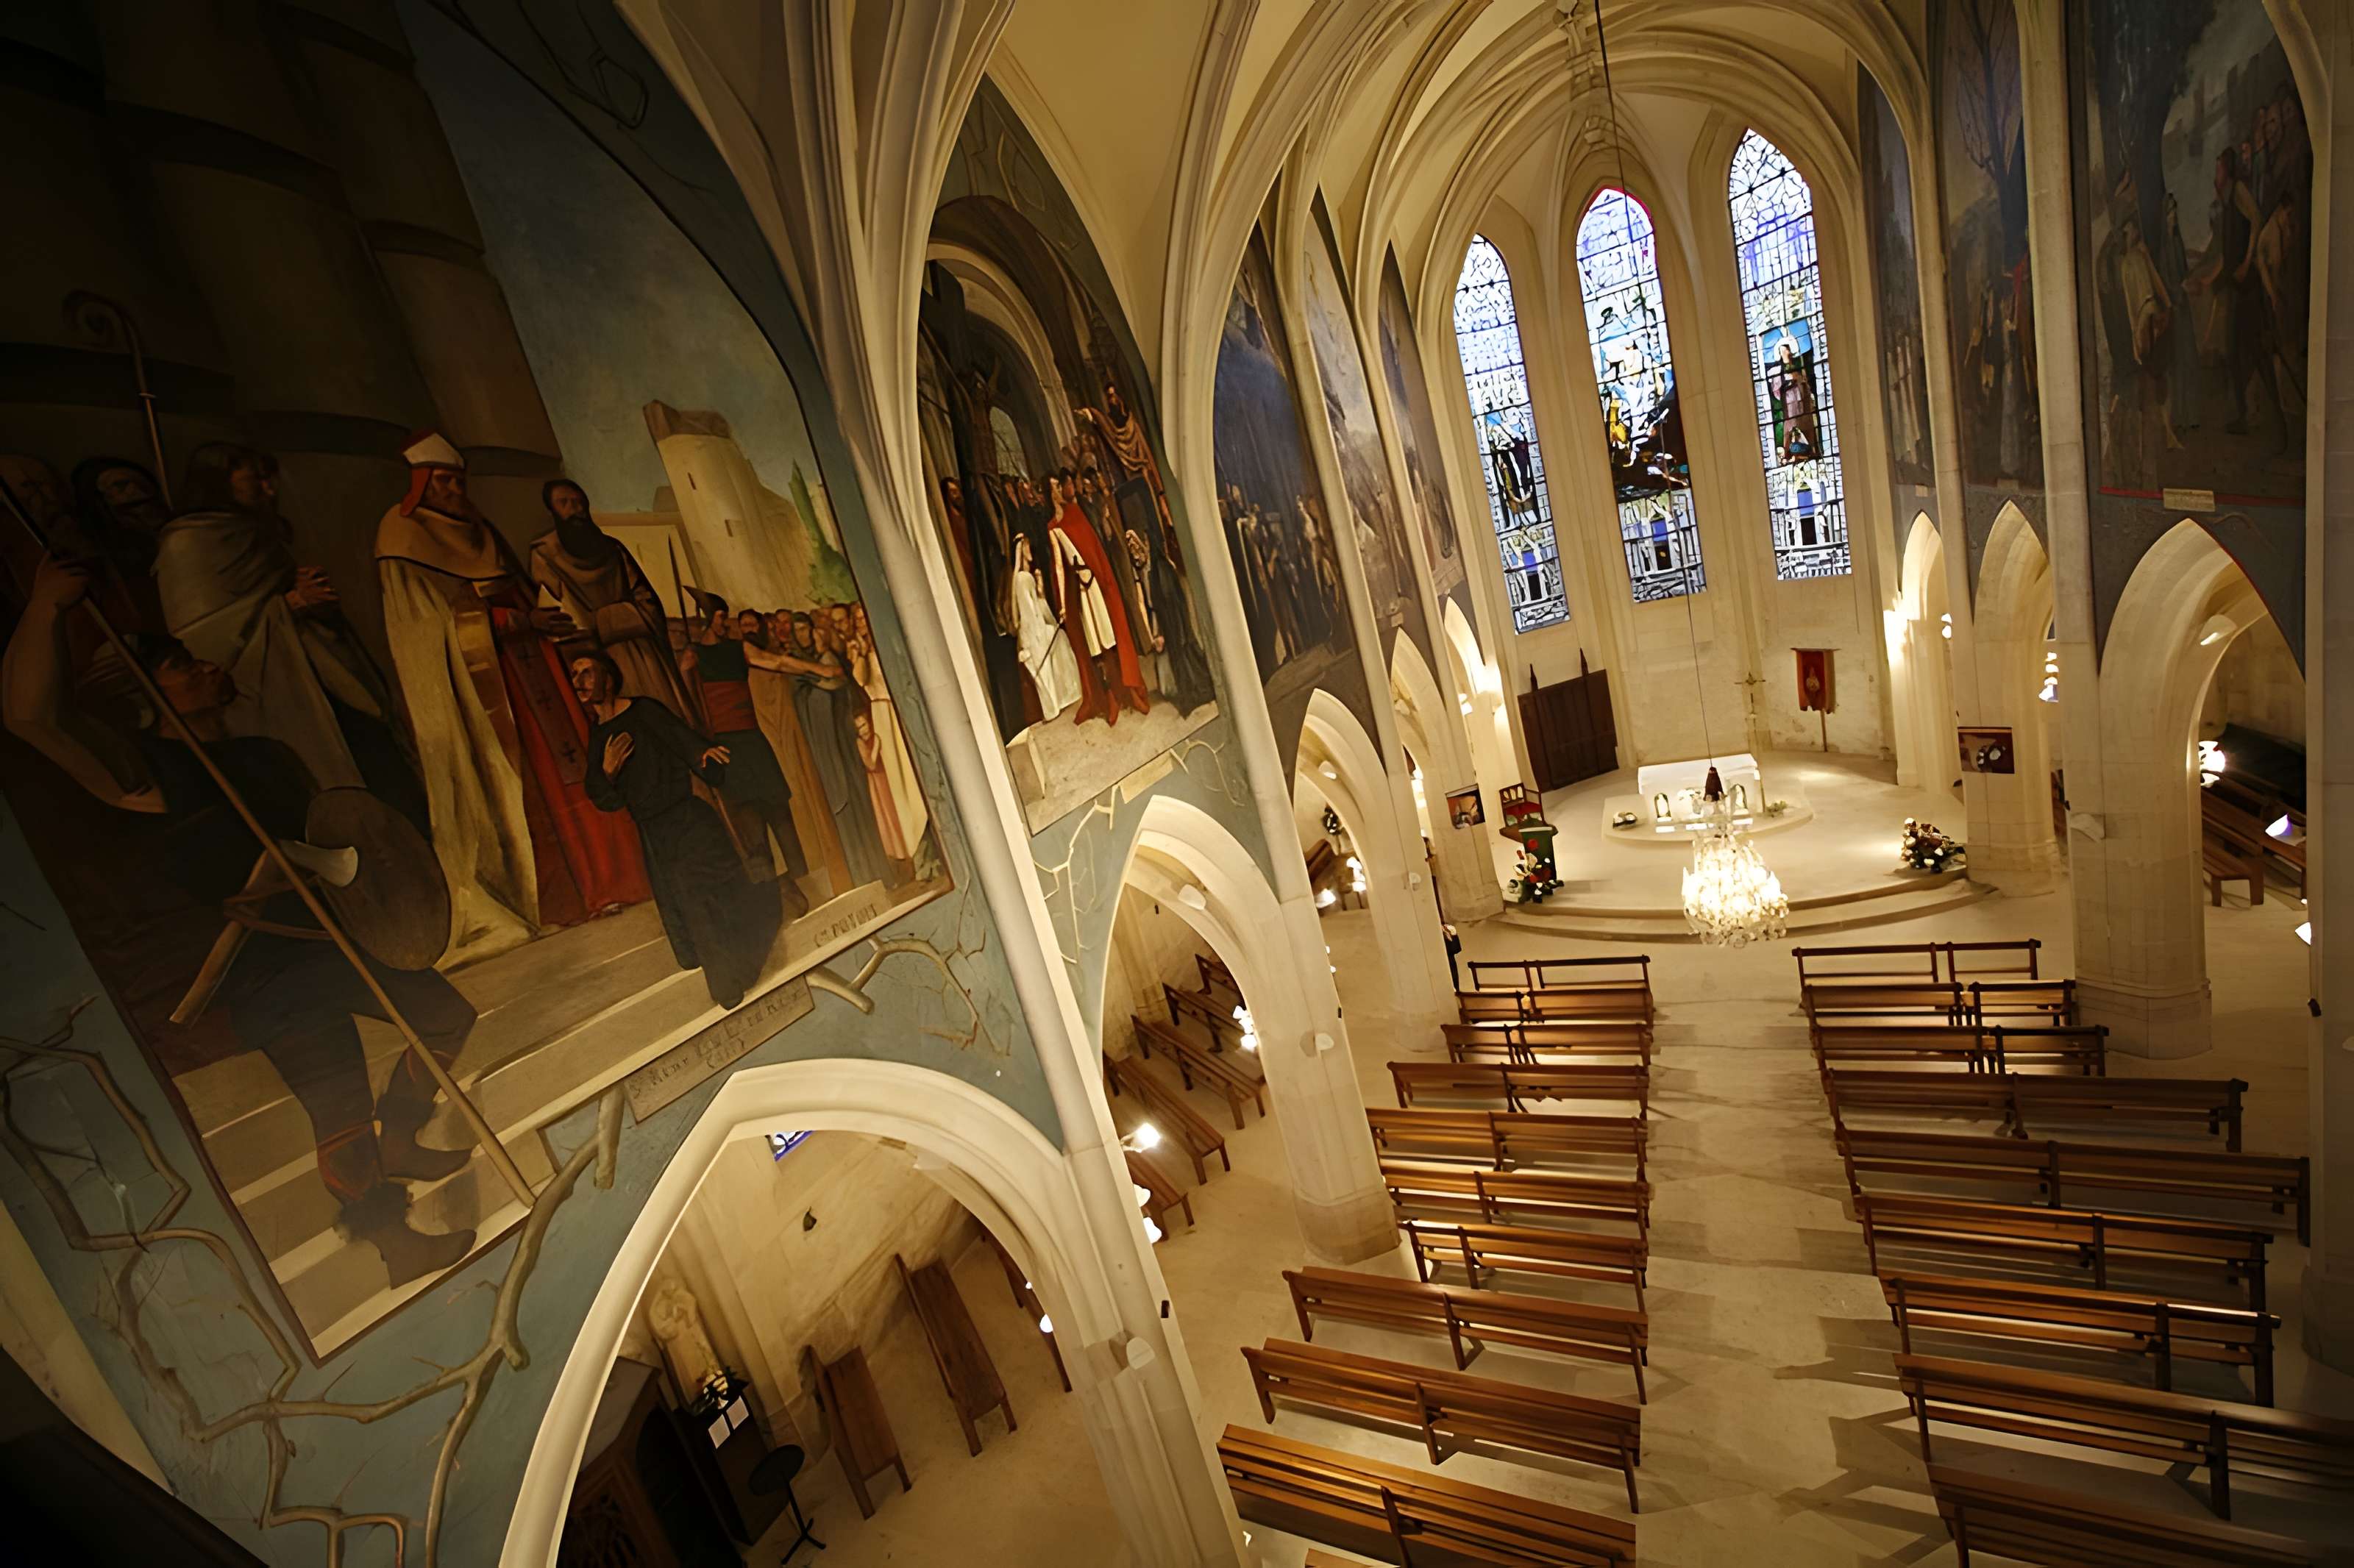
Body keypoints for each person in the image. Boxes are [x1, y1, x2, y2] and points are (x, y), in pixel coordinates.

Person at [4, 554, 480, 1286]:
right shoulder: (152, 770)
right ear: (144, 694)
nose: (204, 669)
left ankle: (407, 1130)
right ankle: (396, 1247)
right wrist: (45, 608)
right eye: (182, 667)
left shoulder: (261, 754)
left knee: (445, 1018)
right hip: (263, 965)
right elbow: (31, 718)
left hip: (337, 933)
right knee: (340, 1114)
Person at [374, 431, 649, 964]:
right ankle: (563, 903)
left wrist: (542, 620)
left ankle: (614, 881)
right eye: (443, 480)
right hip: (486, 689)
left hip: (534, 667)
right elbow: (426, 630)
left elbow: (517, 588)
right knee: (528, 785)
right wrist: (517, 620)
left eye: (458, 479)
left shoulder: (482, 530)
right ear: (419, 484)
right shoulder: (400, 537)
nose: (455, 489)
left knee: (574, 766)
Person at [154, 443, 426, 832]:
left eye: (270, 480)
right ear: (219, 481)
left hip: (319, 669)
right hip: (270, 689)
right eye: (255, 480)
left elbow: (269, 595)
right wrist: (291, 603)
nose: (269, 490)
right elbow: (202, 639)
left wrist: (301, 600)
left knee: (378, 758)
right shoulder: (188, 543)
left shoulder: (253, 530)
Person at [575, 651, 781, 1009]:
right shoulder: (599, 737)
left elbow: (685, 742)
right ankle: (729, 976)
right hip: (654, 837)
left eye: (587, 673)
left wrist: (704, 756)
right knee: (689, 906)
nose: (579, 682)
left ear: (607, 677)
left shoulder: (644, 711)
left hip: (687, 821)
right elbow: (601, 797)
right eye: (574, 675)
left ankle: (728, 988)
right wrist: (607, 770)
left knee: (706, 899)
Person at [679, 601, 810, 914]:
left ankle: (800, 881)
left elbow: (777, 663)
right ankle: (772, 893)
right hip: (725, 747)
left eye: (726, 617)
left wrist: (819, 669)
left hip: (753, 741)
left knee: (779, 811)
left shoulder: (739, 649)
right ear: (707, 619)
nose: (727, 624)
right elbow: (686, 699)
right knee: (749, 824)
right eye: (721, 617)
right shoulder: (693, 655)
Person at [528, 480, 694, 721]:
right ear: (552, 510)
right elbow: (555, 612)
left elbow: (647, 601)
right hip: (592, 657)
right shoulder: (544, 555)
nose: (575, 509)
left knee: (665, 718)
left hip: (642, 654)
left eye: (579, 502)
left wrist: (605, 621)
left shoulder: (612, 549)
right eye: (564, 503)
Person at [1046, 471, 1148, 724]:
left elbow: (1094, 548)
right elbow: (1059, 566)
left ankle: (1126, 691)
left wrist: (1101, 580)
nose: (1061, 490)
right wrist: (1062, 605)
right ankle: (1110, 696)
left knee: (1110, 637)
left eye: (1062, 485)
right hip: (1080, 594)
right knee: (1095, 646)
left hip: (1097, 588)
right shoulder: (1052, 527)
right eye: (1056, 487)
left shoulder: (1078, 514)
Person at [844, 621, 926, 870]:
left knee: (914, 773)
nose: (862, 622)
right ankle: (913, 841)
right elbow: (860, 680)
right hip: (881, 715)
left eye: (863, 617)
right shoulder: (859, 652)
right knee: (897, 781)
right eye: (857, 619)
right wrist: (860, 651)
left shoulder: (887, 643)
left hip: (899, 709)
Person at [853, 711, 910, 882]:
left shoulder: (873, 735)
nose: (863, 730)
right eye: (859, 728)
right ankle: (898, 859)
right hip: (877, 783)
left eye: (864, 725)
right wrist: (877, 743)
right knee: (886, 819)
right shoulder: (861, 743)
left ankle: (904, 855)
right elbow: (870, 764)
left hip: (885, 777)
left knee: (896, 816)